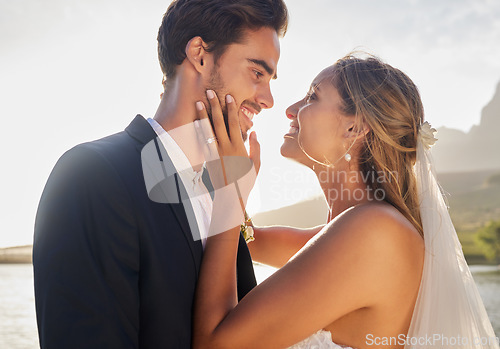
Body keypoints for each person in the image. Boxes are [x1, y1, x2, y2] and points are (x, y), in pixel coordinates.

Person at [191, 54, 500, 348]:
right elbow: (249, 241)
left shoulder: (373, 232)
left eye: (312, 97)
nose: (290, 109)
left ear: (355, 127)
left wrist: (229, 188)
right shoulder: (349, 232)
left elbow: (214, 344)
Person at [32, 0, 288, 348]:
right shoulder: (92, 176)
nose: (268, 99)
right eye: (258, 73)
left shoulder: (225, 195)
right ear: (199, 54)